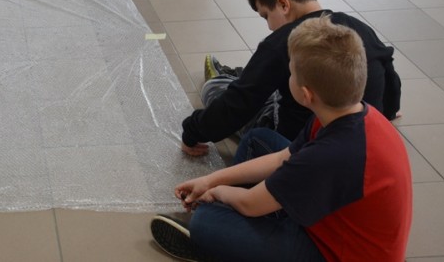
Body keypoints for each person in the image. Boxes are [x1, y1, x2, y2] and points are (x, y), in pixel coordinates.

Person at [151, 15, 412, 262]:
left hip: (333, 252)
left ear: (306, 94)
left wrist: (216, 192)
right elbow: (282, 158)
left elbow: (251, 204)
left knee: (205, 221)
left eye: (291, 73)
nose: (288, 76)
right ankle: (255, 224)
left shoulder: (330, 154)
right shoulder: (345, 113)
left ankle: (225, 246)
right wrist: (211, 179)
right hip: (332, 217)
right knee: (257, 140)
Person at [180, 0, 401, 157]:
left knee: (216, 89)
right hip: (361, 132)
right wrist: (388, 113)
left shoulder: (283, 42)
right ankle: (241, 75)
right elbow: (390, 77)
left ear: (283, 4)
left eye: (266, 16)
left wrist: (191, 132)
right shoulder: (358, 28)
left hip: (298, 141)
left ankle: (228, 77)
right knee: (271, 83)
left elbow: (239, 104)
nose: (269, 26)